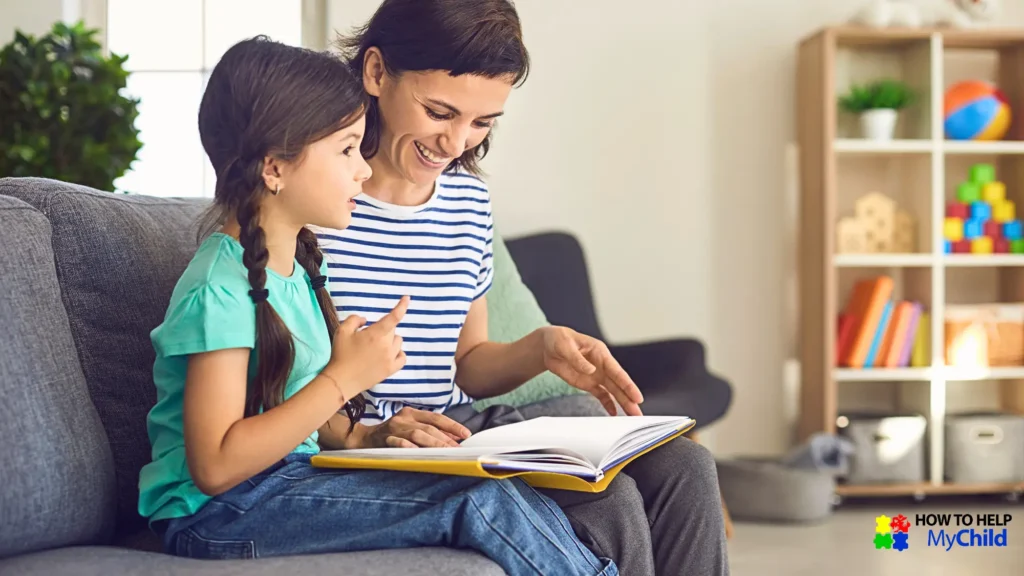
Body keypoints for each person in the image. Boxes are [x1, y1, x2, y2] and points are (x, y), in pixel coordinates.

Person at [137, 36, 617, 576]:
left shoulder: (294, 268)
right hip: (218, 516)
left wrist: (363, 433)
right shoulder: (220, 291)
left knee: (490, 486)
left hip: (281, 485)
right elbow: (216, 465)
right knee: (480, 504)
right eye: (346, 150)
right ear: (274, 168)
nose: (362, 171)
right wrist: (342, 379)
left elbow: (296, 420)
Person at [315, 1, 730, 574]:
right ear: (377, 72)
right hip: (381, 441)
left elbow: (466, 363)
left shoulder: (467, 201)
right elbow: (282, 379)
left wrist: (540, 348)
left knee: (687, 467)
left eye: (483, 122)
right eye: (440, 111)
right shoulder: (316, 201)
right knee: (610, 500)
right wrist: (365, 432)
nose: (457, 142)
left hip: (458, 428)